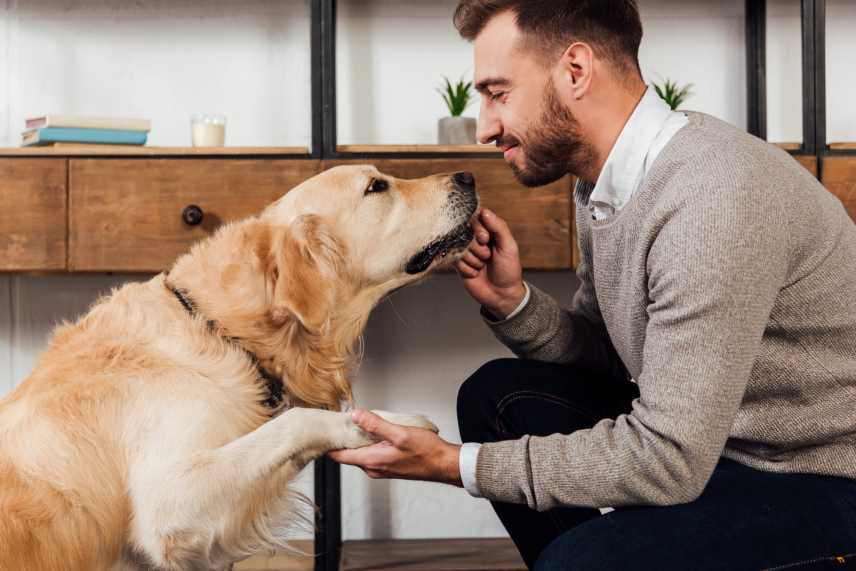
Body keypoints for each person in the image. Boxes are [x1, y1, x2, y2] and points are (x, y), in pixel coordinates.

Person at [329, 1, 856, 568]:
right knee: (497, 397)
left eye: (498, 93)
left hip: (817, 473)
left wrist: (453, 465)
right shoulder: (608, 180)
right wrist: (515, 304)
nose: (484, 127)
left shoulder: (713, 202)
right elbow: (616, 357)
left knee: (578, 563)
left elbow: (668, 458)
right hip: (714, 447)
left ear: (575, 71)